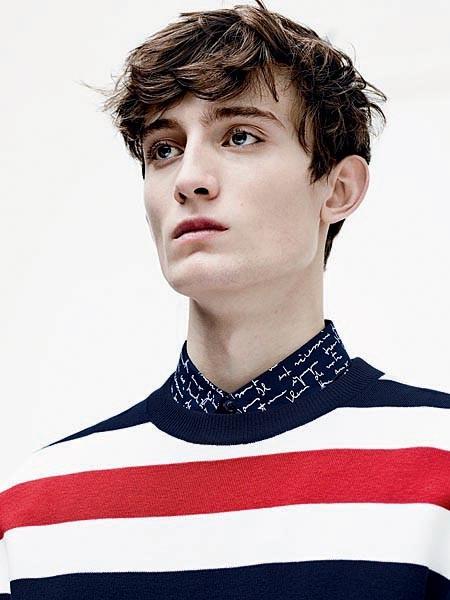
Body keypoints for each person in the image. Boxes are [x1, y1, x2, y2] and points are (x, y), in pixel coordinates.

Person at [1, 2, 449, 599]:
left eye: (240, 136)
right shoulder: (35, 513)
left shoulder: (439, 472)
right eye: (164, 149)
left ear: (338, 188)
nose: (190, 178)